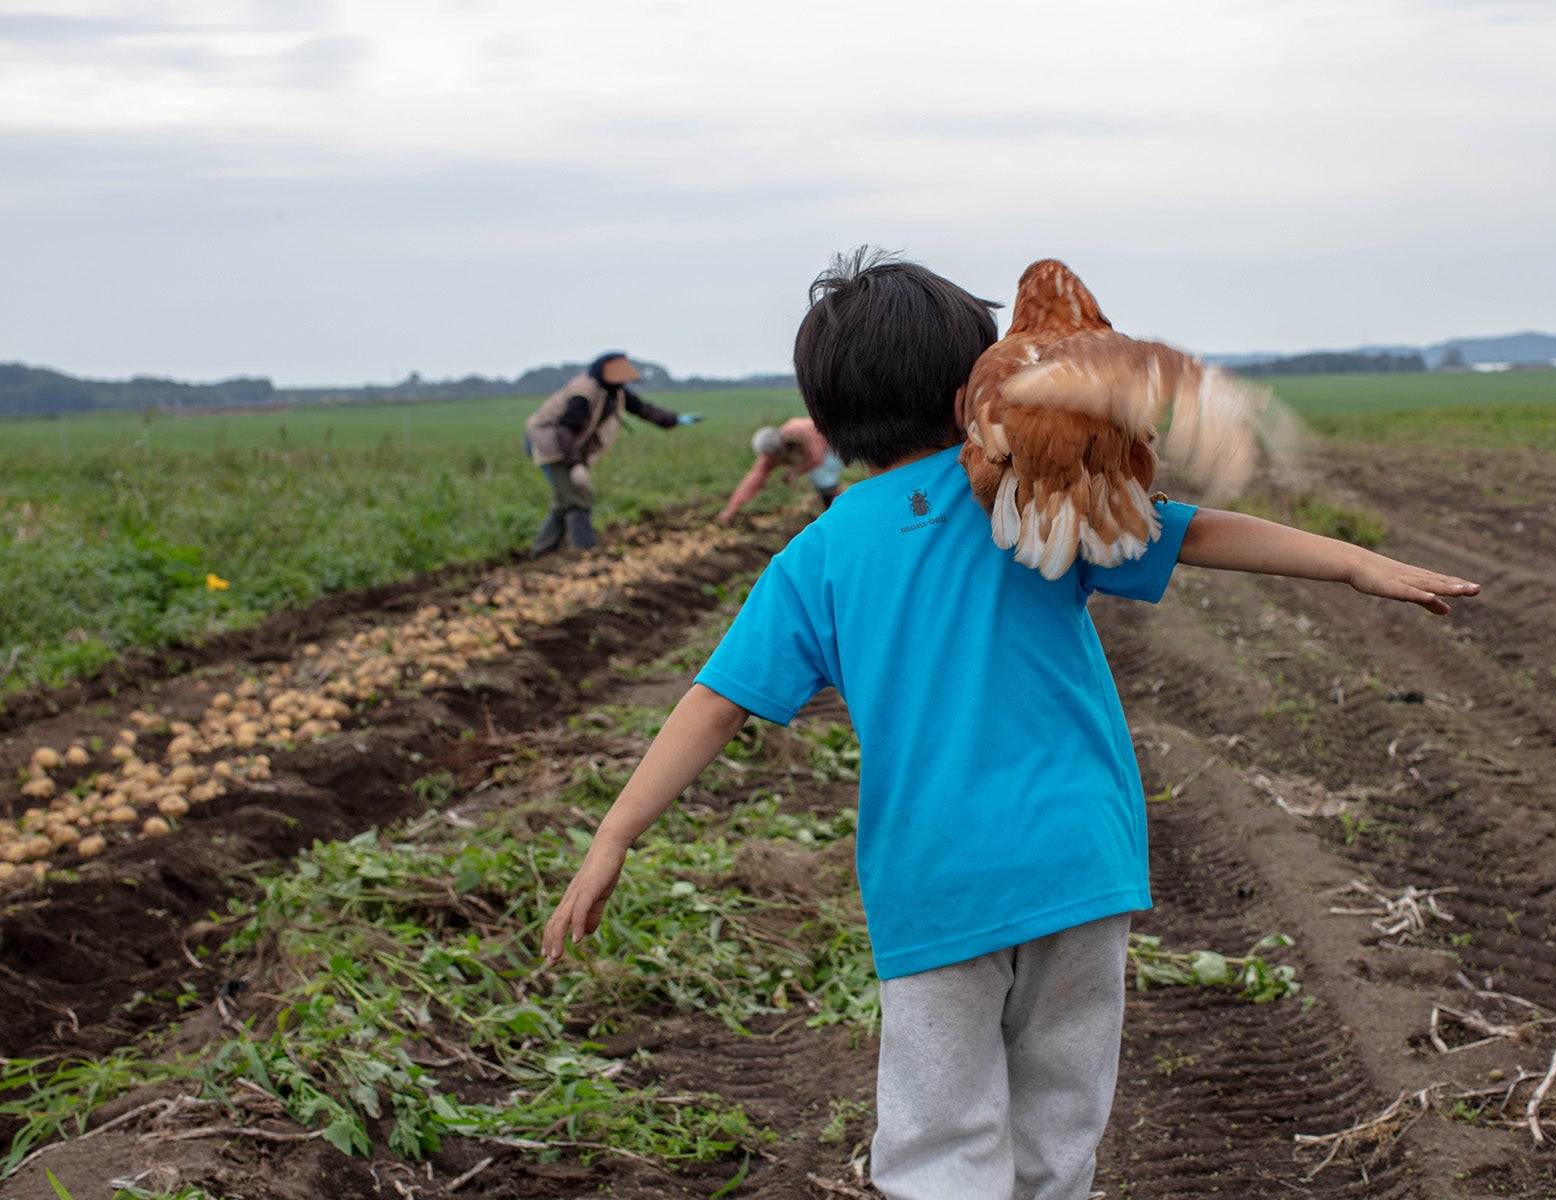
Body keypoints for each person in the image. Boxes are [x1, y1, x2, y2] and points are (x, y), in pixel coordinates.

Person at [540, 250, 1480, 1200]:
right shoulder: (1034, 487)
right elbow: (1192, 533)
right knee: (1059, 1123)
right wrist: (1356, 564)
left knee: (941, 1139)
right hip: (1079, 863)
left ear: (824, 419)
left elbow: (715, 702)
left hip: (935, 881)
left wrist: (614, 835)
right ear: (974, 394)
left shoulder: (818, 556)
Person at [521, 353, 703, 558]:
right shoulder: (584, 392)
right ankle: (584, 552)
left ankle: (541, 551)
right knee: (579, 498)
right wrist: (575, 465)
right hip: (550, 443)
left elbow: (642, 409)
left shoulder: (615, 391)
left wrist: (674, 419)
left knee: (567, 498)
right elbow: (565, 430)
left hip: (568, 444)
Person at [715, 416, 844, 523]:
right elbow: (753, 480)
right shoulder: (769, 457)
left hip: (832, 445)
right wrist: (731, 509)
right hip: (820, 456)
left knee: (822, 478)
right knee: (820, 480)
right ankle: (834, 511)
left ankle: (839, 513)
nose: (776, 459)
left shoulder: (799, 431)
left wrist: (795, 471)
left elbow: (817, 458)